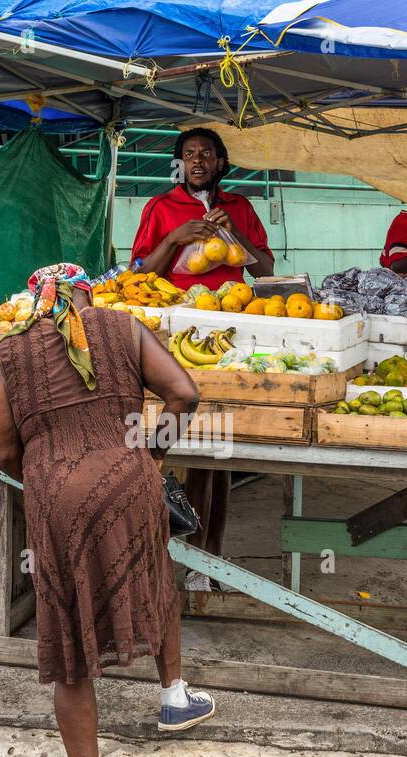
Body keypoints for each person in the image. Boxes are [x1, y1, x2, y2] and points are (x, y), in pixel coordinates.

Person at [0, 263, 215, 757]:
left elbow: (2, 450)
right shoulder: (124, 326)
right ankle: (173, 698)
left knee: (67, 645)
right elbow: (184, 393)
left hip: (57, 496)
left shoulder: (10, 357)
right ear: (88, 294)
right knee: (154, 573)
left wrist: (44, 476)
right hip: (131, 477)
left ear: (37, 304)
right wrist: (149, 457)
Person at [131, 128, 275, 590]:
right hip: (175, 335)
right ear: (179, 163)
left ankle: (207, 560)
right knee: (184, 441)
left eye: (206, 155)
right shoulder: (160, 207)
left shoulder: (240, 207)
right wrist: (174, 238)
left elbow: (265, 268)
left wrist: (236, 238)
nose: (197, 161)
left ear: (219, 161)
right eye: (189, 155)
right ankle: (170, 551)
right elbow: (138, 271)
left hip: (232, 332)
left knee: (219, 452)